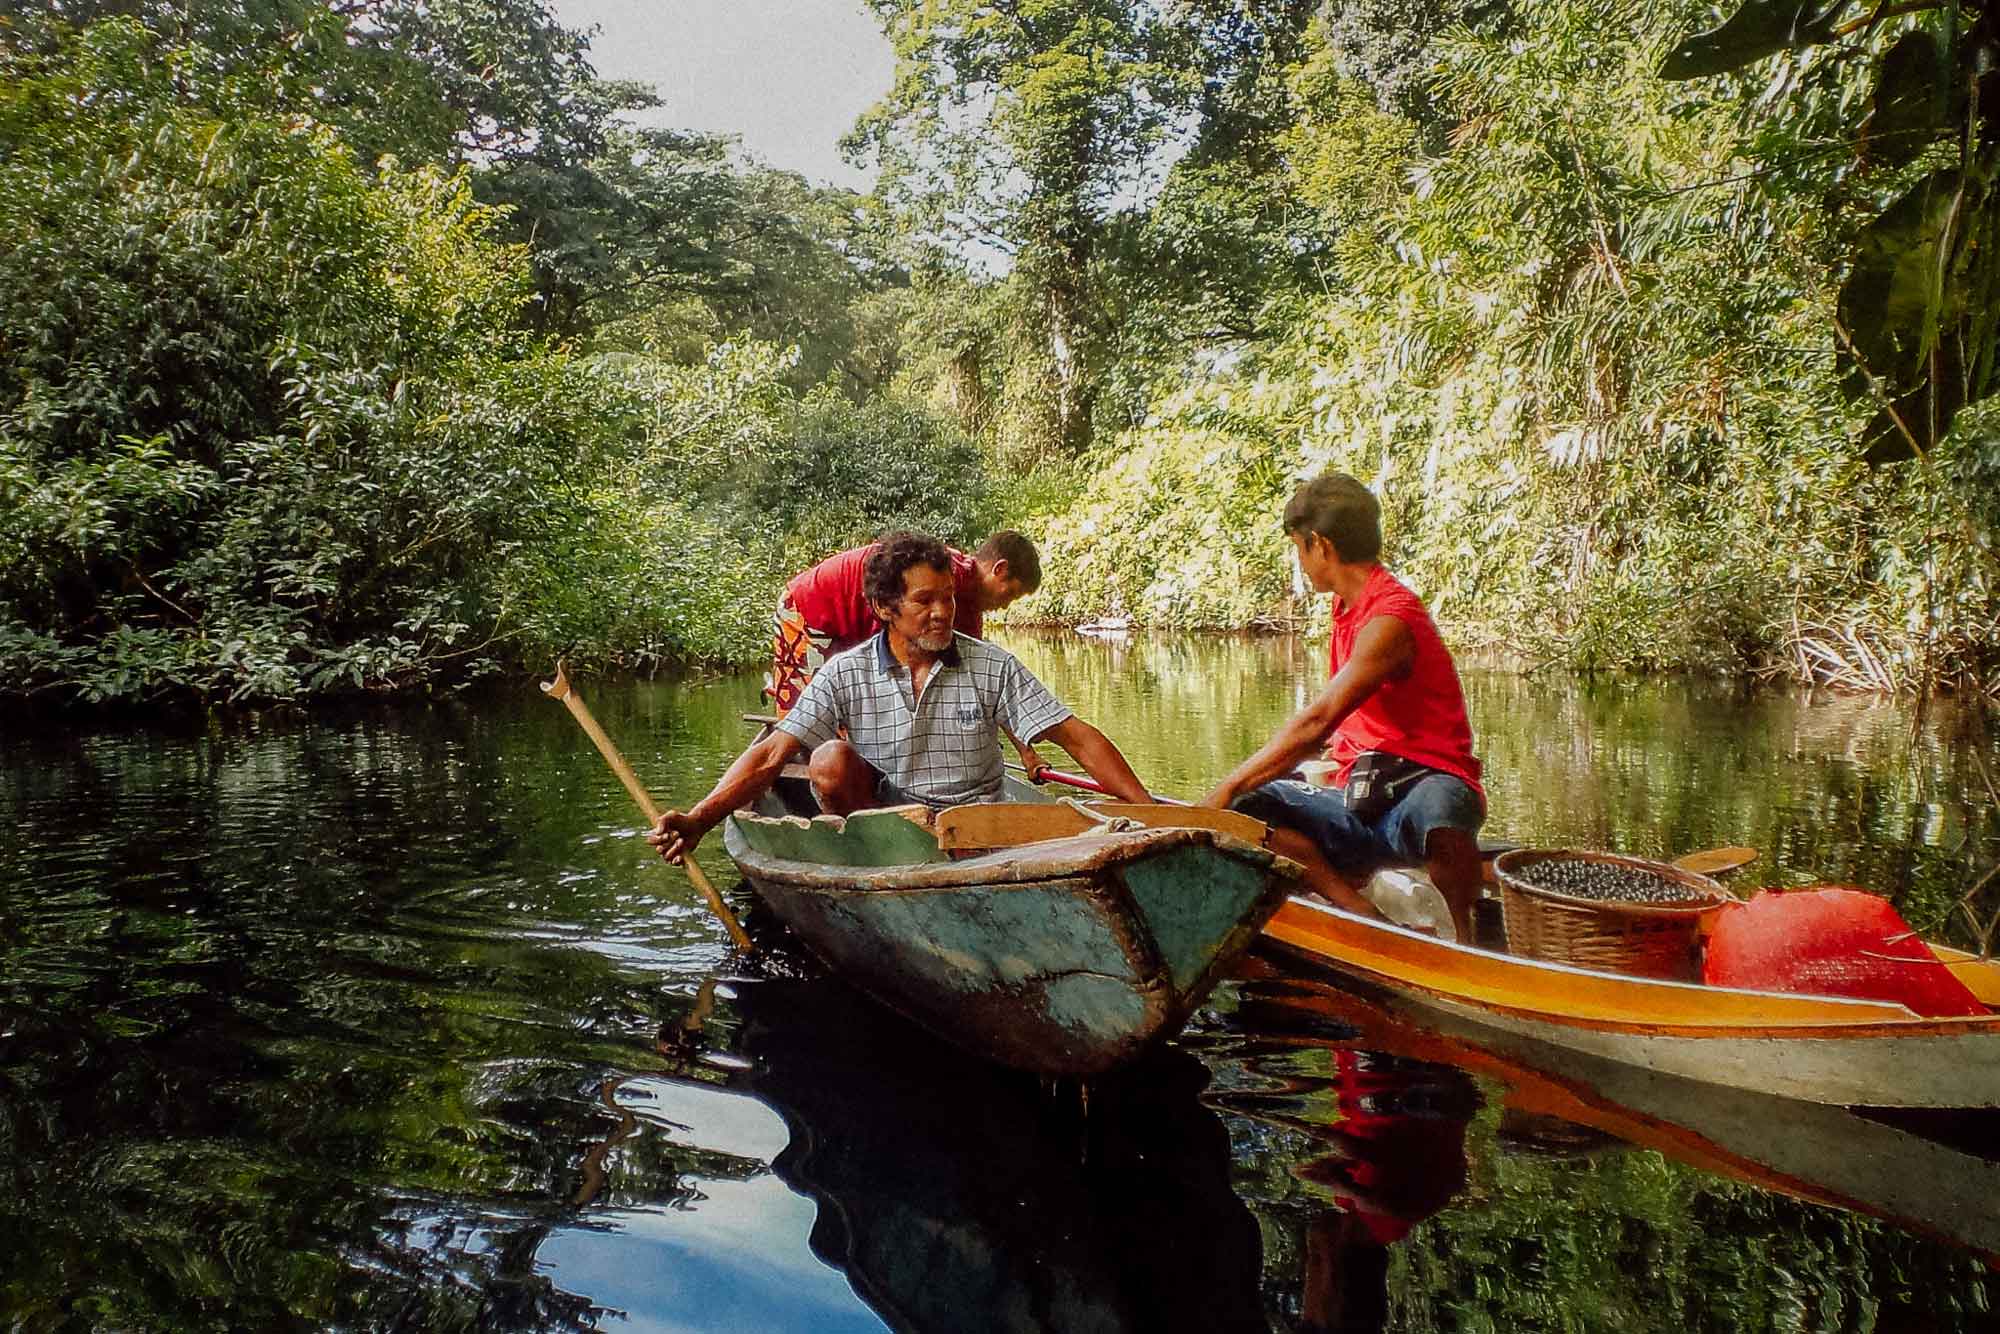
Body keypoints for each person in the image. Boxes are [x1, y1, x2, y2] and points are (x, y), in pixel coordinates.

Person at [650, 531, 1150, 865]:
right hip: (892, 827)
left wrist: (1151, 813)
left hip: (981, 832)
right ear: (885, 608)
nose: (942, 613)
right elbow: (771, 756)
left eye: (948, 599)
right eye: (924, 601)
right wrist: (700, 819)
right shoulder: (847, 672)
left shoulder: (991, 665)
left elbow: (1077, 739)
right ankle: (877, 859)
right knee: (827, 757)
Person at [1199, 472, 1485, 939]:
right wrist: (1242, 794)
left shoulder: (1391, 619)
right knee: (1252, 809)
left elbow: (1317, 721)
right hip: (1362, 798)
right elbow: (1334, 733)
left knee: (1442, 805)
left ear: (1320, 545)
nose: (1301, 562)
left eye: (1299, 548)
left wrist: (1224, 789)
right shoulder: (1346, 609)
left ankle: (1465, 940)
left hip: (1419, 793)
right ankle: (1358, 912)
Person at [767, 529, 1041, 714]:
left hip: (854, 624)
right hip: (808, 608)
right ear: (999, 569)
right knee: (806, 715)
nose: (1006, 605)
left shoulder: (965, 610)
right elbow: (891, 655)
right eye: (1012, 593)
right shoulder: (946, 573)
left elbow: (970, 677)